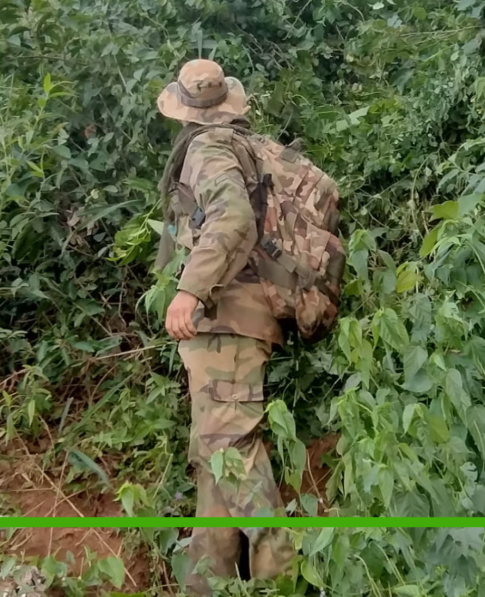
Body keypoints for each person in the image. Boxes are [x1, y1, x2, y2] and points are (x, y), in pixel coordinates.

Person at [154, 59, 294, 595]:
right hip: (238, 322)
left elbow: (234, 218)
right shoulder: (242, 146)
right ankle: (206, 586)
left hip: (227, 323)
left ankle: (279, 582)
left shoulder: (208, 148)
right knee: (217, 459)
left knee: (232, 457)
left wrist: (189, 290)